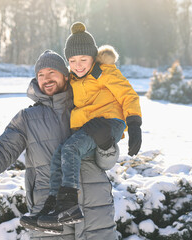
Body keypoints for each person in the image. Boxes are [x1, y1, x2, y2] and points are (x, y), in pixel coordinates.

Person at [0, 50, 121, 239]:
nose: (46, 79)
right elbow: (2, 151)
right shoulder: (27, 119)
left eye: (52, 73)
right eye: (40, 75)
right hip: (48, 218)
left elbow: (107, 163)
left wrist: (106, 144)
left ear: (66, 75)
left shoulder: (88, 108)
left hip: (95, 214)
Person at [33, 22, 142, 229]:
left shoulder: (104, 72)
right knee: (60, 153)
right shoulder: (73, 78)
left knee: (71, 148)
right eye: (72, 60)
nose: (78, 64)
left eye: (83, 59)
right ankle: (53, 205)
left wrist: (134, 124)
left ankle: (69, 206)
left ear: (93, 57)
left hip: (109, 122)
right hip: (89, 126)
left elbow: (128, 95)